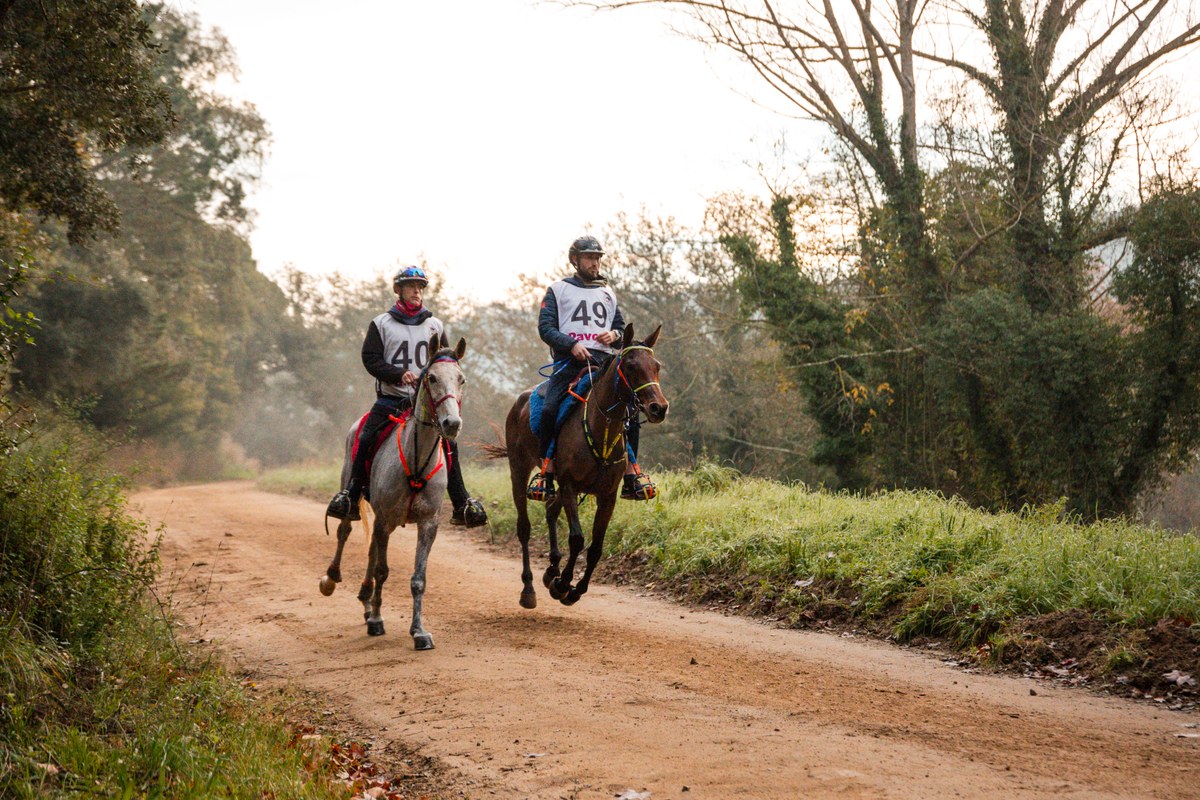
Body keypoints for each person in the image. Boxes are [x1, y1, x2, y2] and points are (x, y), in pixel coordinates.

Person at [325, 266, 487, 527]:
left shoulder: (434, 324)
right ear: (398, 290)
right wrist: (398, 374)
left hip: (425, 404)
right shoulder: (381, 324)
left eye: (420, 287)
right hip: (391, 398)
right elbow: (370, 359)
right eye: (411, 286)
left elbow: (446, 359)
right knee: (365, 435)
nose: (417, 291)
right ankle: (350, 494)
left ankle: (462, 503)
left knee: (450, 445)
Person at [527, 236, 656, 503]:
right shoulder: (557, 290)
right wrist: (572, 345)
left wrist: (614, 335)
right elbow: (546, 328)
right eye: (589, 258)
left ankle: (632, 475)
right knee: (550, 407)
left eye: (597, 258)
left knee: (630, 409)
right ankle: (547, 470)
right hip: (569, 362)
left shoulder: (607, 292)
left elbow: (620, 329)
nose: (595, 263)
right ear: (575, 260)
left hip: (605, 362)